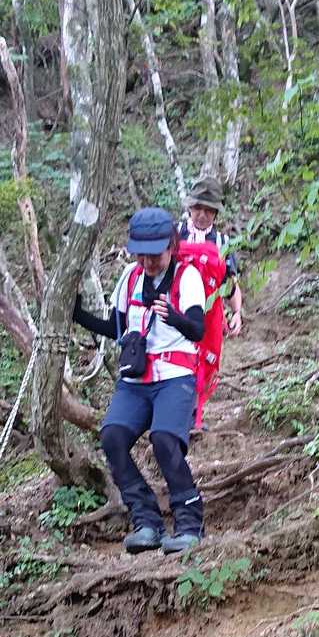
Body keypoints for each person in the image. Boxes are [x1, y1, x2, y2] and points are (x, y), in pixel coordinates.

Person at [72, 207, 207, 555]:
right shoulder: (130, 278)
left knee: (164, 440)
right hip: (135, 380)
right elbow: (115, 327)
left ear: (172, 246)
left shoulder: (187, 277)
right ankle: (146, 521)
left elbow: (197, 329)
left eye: (154, 255)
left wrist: (173, 316)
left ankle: (189, 525)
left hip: (175, 376)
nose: (147, 262)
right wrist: (77, 314)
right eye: (141, 255)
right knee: (112, 437)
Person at [178, 178, 244, 338]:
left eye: (208, 210)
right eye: (197, 208)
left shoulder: (223, 243)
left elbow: (229, 283)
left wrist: (236, 313)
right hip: (175, 315)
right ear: (190, 207)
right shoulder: (174, 234)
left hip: (208, 318)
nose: (202, 215)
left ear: (216, 213)